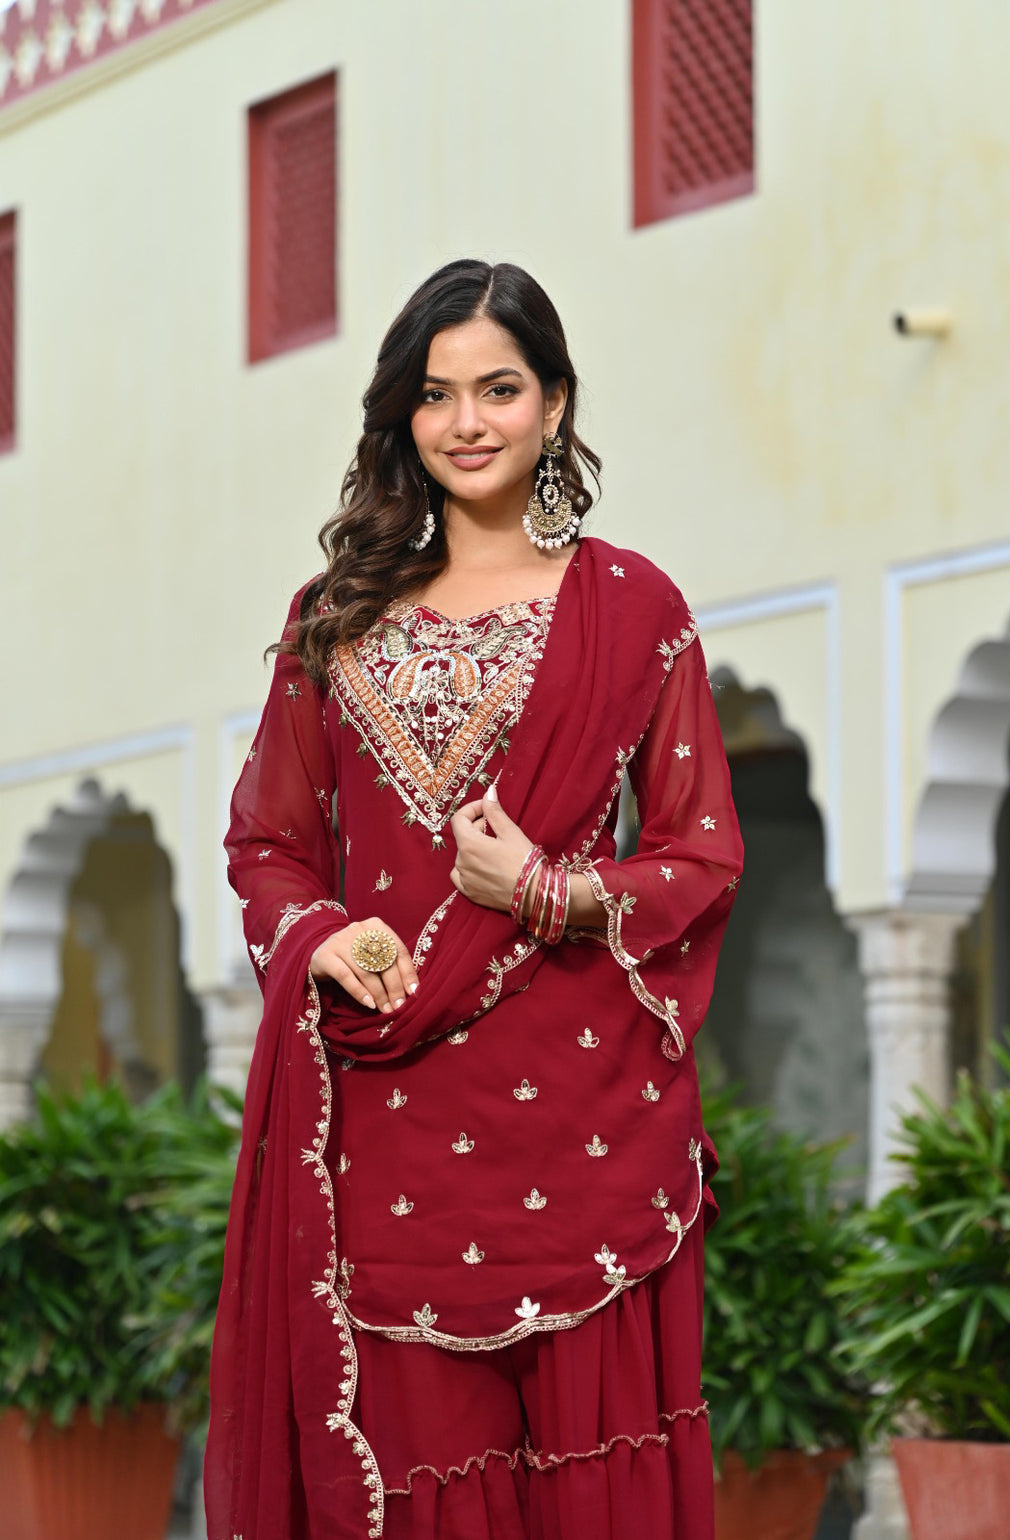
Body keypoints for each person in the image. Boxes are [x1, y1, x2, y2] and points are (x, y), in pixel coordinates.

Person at [205, 259, 743, 1540]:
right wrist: (323, 934)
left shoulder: (632, 607)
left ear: (554, 405)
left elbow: (701, 855)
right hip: (389, 1119)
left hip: (583, 1120)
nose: (465, 422)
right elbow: (267, 842)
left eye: (498, 389)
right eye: (435, 394)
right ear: (403, 415)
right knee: (416, 1483)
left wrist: (546, 888)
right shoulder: (336, 618)